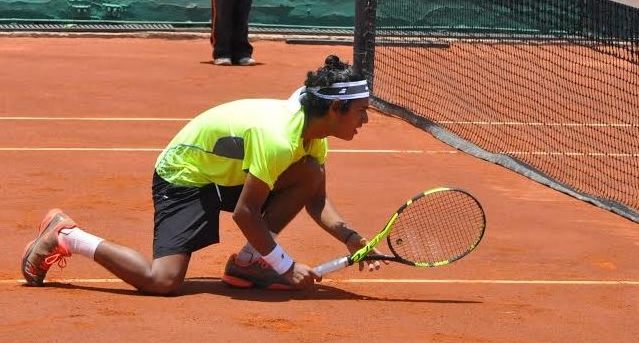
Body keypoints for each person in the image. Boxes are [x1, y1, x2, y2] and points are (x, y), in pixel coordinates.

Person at [21, 55, 383, 295]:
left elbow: (315, 198)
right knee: (162, 281)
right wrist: (285, 267)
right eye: (361, 112)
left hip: (226, 173)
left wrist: (351, 238)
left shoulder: (314, 131)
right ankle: (67, 236)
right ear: (336, 108)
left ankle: (248, 265)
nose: (365, 121)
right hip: (186, 175)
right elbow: (245, 214)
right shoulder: (279, 138)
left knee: (309, 174)